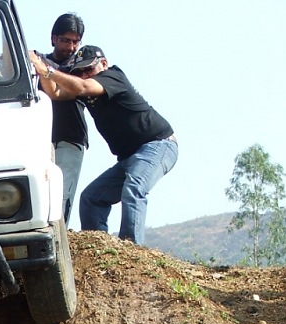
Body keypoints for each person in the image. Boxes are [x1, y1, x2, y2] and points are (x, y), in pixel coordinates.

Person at [30, 45, 178, 245]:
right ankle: (99, 248)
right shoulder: (86, 90)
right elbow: (56, 93)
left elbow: (81, 87)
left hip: (157, 145)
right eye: (80, 72)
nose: (85, 75)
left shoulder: (113, 76)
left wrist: (46, 69)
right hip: (129, 158)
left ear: (104, 64)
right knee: (91, 198)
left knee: (133, 188)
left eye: (89, 69)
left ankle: (132, 249)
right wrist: (40, 68)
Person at [40, 14, 88, 226]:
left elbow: (59, 91)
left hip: (70, 138)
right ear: (54, 38)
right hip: (40, 139)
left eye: (75, 41)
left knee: (61, 195)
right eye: (65, 40)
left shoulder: (82, 68)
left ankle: (61, 244)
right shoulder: (36, 60)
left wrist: (44, 70)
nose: (70, 47)